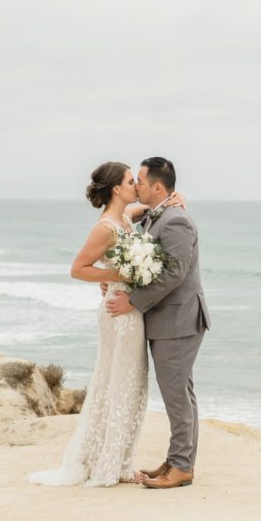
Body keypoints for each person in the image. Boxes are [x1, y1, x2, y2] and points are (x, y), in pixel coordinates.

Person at [26, 161, 184, 487]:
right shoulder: (105, 228)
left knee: (130, 386)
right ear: (117, 188)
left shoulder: (126, 217)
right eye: (130, 181)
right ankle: (108, 465)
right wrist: (114, 276)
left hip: (131, 313)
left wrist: (173, 199)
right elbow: (78, 268)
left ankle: (120, 460)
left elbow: (148, 208)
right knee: (116, 384)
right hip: (117, 312)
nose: (136, 186)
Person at [105, 156, 210, 489]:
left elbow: (174, 273)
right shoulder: (158, 215)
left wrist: (133, 301)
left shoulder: (176, 221)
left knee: (177, 396)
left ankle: (180, 467)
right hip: (169, 321)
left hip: (178, 322)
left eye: (140, 180)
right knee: (180, 395)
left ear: (158, 187)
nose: (136, 185)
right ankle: (177, 460)